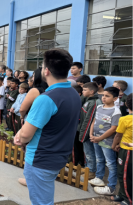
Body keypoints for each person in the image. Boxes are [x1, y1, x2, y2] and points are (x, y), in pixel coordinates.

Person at [13, 49, 81, 205]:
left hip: (40, 158)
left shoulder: (46, 99)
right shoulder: (73, 94)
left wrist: (20, 136)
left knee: (41, 201)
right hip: (58, 156)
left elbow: (25, 135)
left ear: (47, 71)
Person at [89, 87, 121, 195]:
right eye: (103, 95)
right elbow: (94, 121)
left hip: (107, 142)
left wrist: (99, 138)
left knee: (110, 163)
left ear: (115, 98)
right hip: (95, 138)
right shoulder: (99, 106)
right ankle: (99, 178)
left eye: (107, 96)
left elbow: (113, 128)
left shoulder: (116, 111)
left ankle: (111, 187)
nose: (104, 98)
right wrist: (91, 134)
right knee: (99, 159)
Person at [111, 93, 132, 205]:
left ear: (127, 104)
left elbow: (118, 135)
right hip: (127, 147)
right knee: (125, 174)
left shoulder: (125, 119)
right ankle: (121, 194)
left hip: (127, 151)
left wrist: (114, 145)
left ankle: (128, 199)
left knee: (124, 174)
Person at [78, 82, 99, 179]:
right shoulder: (88, 101)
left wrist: (84, 134)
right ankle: (87, 168)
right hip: (85, 131)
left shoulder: (93, 102)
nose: (83, 91)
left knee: (90, 152)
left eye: (85, 90)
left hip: (88, 133)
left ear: (92, 92)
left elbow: (89, 120)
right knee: (86, 152)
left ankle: (91, 171)